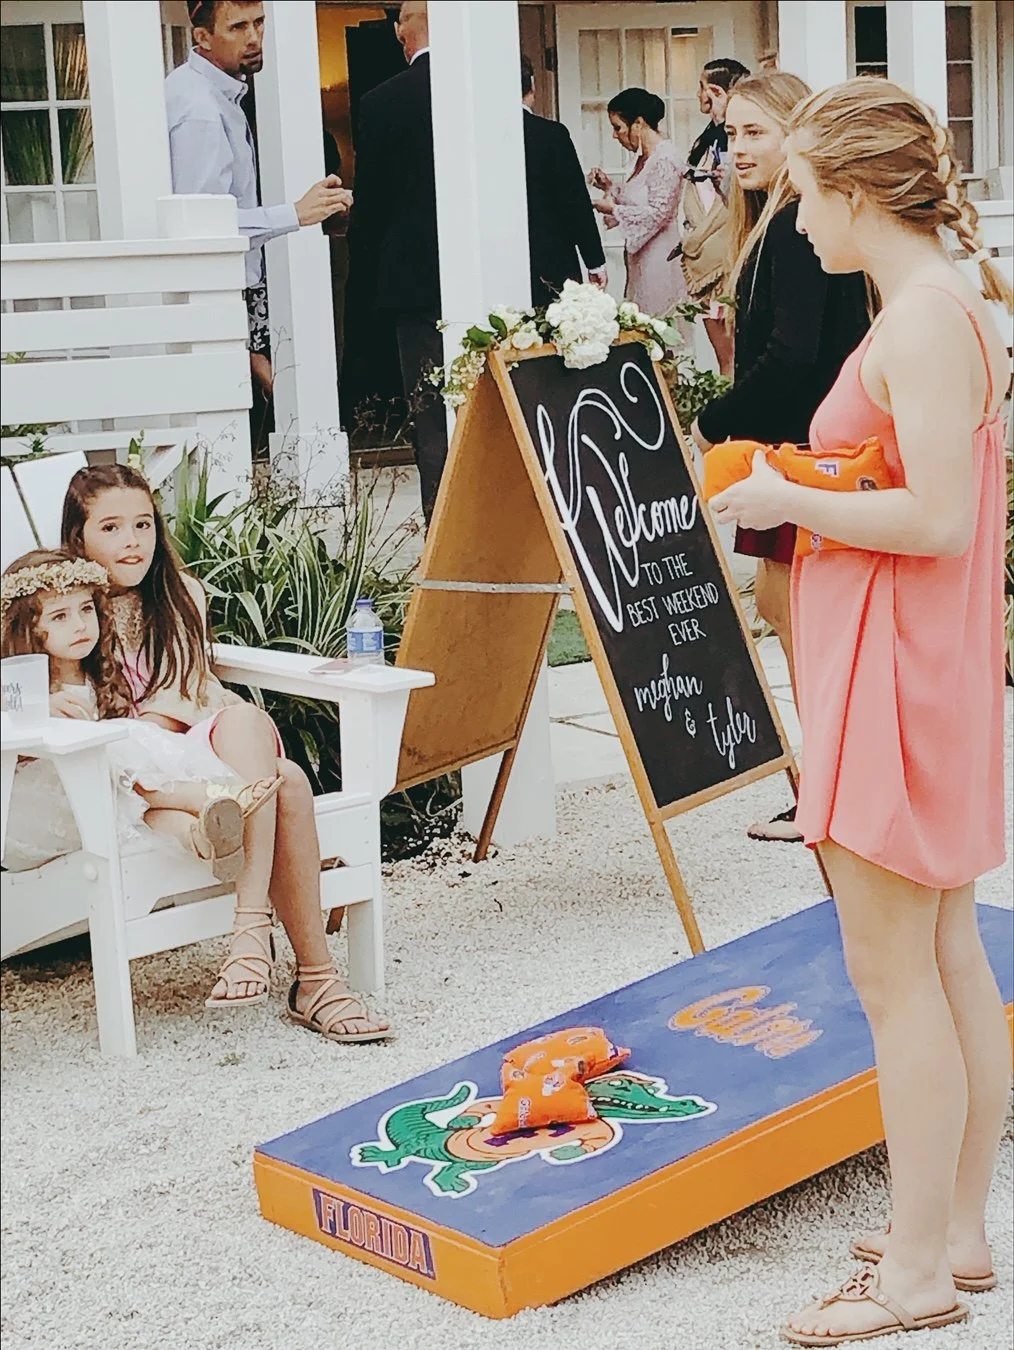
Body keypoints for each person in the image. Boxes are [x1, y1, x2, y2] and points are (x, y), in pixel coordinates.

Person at [710, 78, 1011, 1346]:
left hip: (895, 674)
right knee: (947, 958)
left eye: (802, 195)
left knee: (897, 980)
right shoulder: (943, 300)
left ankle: (917, 1275)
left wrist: (785, 494)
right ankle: (953, 1234)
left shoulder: (927, 317)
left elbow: (939, 520)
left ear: (854, 191)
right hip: (919, 665)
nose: (795, 221)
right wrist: (817, 483)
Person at [60, 464, 390, 1043]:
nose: (132, 541)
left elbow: (182, 692)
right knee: (287, 783)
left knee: (244, 719)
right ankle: (314, 979)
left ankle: (250, 932)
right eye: (110, 528)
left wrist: (158, 737)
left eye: (143, 524)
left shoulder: (180, 594)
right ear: (78, 538)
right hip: (129, 775)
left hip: (201, 747)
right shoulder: (68, 608)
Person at [692, 72, 869, 844]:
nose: (737, 149)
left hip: (802, 454)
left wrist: (714, 423)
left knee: (802, 623)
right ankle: (832, 783)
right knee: (782, 610)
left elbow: (794, 356)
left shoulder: (796, 227)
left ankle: (831, 789)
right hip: (793, 449)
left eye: (756, 132)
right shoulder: (778, 224)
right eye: (731, 134)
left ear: (798, 135)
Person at [0, 550, 278, 885]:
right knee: (119, 740)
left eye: (86, 609)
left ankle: (202, 837)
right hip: (31, 813)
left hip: (103, 805)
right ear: (28, 628)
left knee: (138, 802)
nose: (80, 625)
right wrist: (34, 712)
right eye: (60, 617)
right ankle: (209, 794)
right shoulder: (16, 687)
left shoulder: (100, 676)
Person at [166, 2, 352, 400]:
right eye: (237, 27)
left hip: (230, 300)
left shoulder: (216, 96)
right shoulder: (200, 111)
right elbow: (203, 228)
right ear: (202, 37)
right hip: (213, 302)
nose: (253, 38)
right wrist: (295, 214)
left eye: (259, 23)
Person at [350, 1, 446, 524]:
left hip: (414, 282)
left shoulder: (381, 102)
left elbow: (373, 204)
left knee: (430, 413)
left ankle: (442, 527)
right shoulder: (486, 90)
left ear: (405, 30)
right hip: (496, 277)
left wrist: (365, 274)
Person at [679, 58, 750, 376]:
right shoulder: (709, 136)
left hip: (723, 253)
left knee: (731, 351)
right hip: (704, 246)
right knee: (721, 348)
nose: (698, 95)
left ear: (716, 91)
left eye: (701, 87)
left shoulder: (732, 142)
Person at [588, 88, 685, 317]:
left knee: (658, 323)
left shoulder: (666, 158)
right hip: (640, 259)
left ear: (638, 124)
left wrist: (614, 209)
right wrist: (609, 187)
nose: (615, 136)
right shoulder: (643, 158)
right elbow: (639, 201)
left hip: (660, 258)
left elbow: (659, 213)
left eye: (618, 128)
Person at [520, 56, 607, 307]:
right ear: (532, 85)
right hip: (551, 259)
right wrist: (594, 261)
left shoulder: (477, 140)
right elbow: (574, 202)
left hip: (493, 261)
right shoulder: (551, 135)